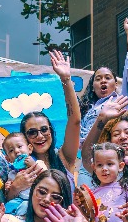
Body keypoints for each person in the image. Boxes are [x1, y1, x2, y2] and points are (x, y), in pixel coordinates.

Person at [77, 16, 128, 183]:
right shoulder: (86, 109)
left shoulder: (122, 100)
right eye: (98, 79)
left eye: (108, 78)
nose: (103, 81)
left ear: (116, 84)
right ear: (92, 86)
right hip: (90, 166)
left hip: (118, 166)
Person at [19, 50, 83, 183]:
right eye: (32, 132)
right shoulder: (20, 166)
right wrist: (16, 187)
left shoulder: (64, 157)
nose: (40, 136)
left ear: (51, 131)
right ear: (24, 137)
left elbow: (75, 121)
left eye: (44, 129)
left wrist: (66, 79)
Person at [83, 142, 128, 222]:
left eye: (110, 164)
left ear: (120, 166)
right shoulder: (91, 195)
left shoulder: (124, 189)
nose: (104, 169)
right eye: (99, 165)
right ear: (94, 167)